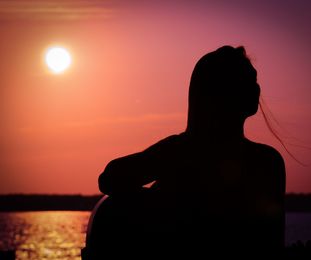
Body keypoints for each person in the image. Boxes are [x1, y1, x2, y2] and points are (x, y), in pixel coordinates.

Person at [84, 45, 286, 257]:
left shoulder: (178, 151)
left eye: (255, 80)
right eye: (246, 80)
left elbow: (109, 179)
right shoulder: (268, 162)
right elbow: (109, 179)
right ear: (218, 92)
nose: (256, 88)